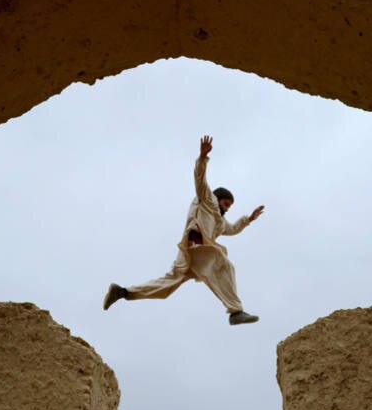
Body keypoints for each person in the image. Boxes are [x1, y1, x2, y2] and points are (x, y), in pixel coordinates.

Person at [102, 135, 265, 325]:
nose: (227, 208)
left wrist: (249, 219)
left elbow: (233, 229)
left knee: (166, 287)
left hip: (188, 258)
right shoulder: (207, 200)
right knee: (224, 265)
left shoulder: (219, 222)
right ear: (218, 198)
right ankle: (236, 312)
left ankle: (123, 292)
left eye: (230, 206)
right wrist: (203, 157)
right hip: (195, 246)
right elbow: (200, 179)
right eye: (226, 203)